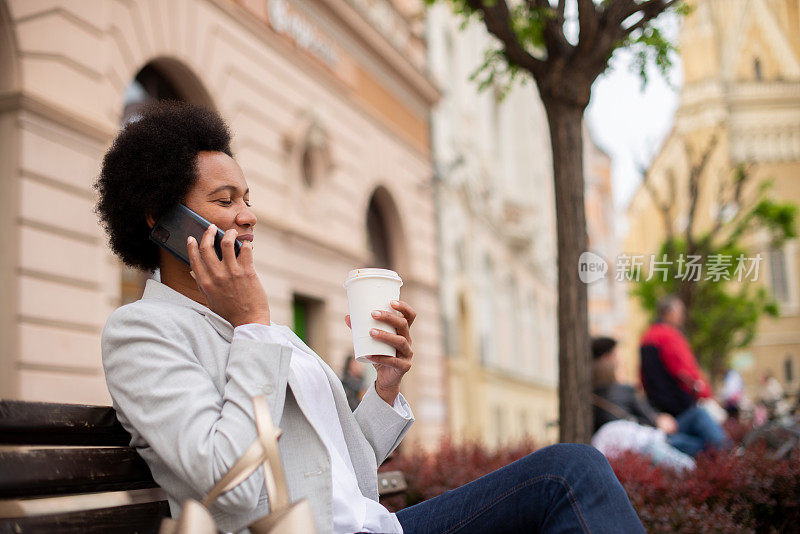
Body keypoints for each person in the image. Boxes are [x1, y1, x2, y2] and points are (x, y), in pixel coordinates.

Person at [95, 101, 645, 534]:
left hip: (374, 526)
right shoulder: (144, 332)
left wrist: (384, 389)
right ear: (162, 218)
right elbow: (230, 490)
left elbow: (346, 471)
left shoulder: (258, 328)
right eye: (225, 200)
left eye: (248, 197)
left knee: (570, 471)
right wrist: (253, 329)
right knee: (569, 475)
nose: (248, 215)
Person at [639, 295, 731, 456]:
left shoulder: (646, 336)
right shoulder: (670, 336)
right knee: (715, 442)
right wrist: (705, 394)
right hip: (681, 407)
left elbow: (642, 376)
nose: (682, 316)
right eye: (680, 312)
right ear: (669, 313)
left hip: (660, 410)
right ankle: (730, 456)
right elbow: (686, 371)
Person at [590, 337, 695, 471]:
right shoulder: (624, 390)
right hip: (646, 440)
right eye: (616, 355)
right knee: (699, 424)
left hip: (624, 445)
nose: (619, 360)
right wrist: (660, 420)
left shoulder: (589, 394)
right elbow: (650, 419)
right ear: (607, 357)